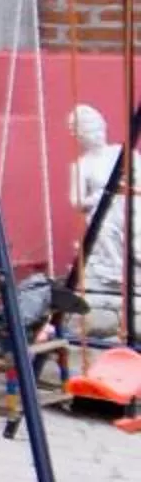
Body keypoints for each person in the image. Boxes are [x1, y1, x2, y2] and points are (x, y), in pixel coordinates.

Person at [70, 104, 131, 342]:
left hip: (130, 205)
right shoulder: (81, 166)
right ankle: (115, 274)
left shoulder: (122, 154)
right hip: (102, 212)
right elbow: (76, 201)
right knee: (102, 226)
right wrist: (100, 195)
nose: (94, 135)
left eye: (95, 128)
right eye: (86, 131)